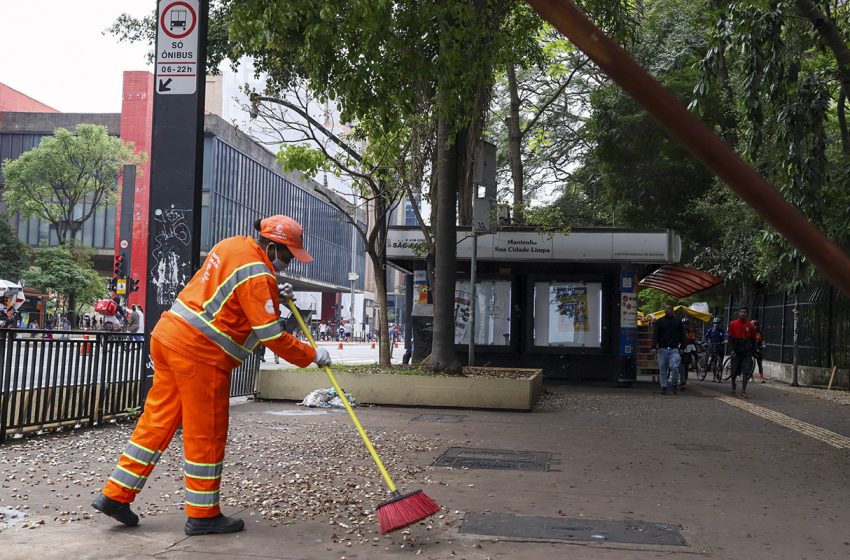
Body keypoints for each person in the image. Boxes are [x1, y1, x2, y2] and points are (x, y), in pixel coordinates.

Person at [91, 215, 332, 536]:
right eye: (287, 256)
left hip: (168, 337)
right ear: (272, 246)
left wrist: (274, 288)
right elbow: (271, 334)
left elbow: (233, 295)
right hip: (199, 355)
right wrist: (312, 354)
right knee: (207, 431)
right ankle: (203, 515)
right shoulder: (259, 275)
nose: (288, 263)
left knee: (157, 422)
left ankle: (115, 495)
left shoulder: (232, 246)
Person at [651, 304, 686, 395]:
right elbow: (655, 335)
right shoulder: (659, 322)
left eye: (669, 309)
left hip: (674, 349)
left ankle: (674, 383)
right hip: (662, 349)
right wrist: (654, 347)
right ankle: (663, 386)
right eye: (666, 309)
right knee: (663, 369)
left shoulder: (678, 321)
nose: (667, 310)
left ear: (672, 310)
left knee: (674, 367)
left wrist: (682, 347)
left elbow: (682, 334)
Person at [727, 306, 757, 398]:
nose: (743, 313)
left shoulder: (751, 326)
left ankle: (743, 390)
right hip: (736, 351)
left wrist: (753, 350)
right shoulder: (732, 324)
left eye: (745, 312)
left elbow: (753, 339)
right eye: (741, 312)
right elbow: (730, 338)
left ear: (747, 314)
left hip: (746, 352)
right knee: (734, 371)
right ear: (738, 313)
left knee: (746, 371)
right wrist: (732, 349)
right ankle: (733, 385)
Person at [703, 317, 726, 382]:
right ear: (713, 323)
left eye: (718, 323)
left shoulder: (722, 330)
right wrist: (706, 342)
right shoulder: (711, 330)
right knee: (714, 362)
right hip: (713, 347)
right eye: (715, 323)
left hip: (720, 347)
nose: (716, 324)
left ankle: (719, 373)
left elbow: (725, 336)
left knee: (720, 362)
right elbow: (706, 337)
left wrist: (725, 340)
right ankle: (714, 376)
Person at [679, 317, 698, 391]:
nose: (685, 325)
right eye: (683, 324)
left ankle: (684, 382)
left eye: (686, 324)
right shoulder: (678, 332)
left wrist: (695, 353)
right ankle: (682, 382)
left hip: (688, 351)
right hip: (680, 351)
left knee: (686, 368)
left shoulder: (690, 332)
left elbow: (693, 341)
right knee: (682, 368)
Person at [751, 318, 765, 383]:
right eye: (754, 324)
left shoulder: (759, 332)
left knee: (759, 361)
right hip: (749, 348)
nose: (755, 326)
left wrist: (762, 344)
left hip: (757, 348)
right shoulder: (748, 331)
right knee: (749, 362)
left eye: (756, 325)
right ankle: (750, 376)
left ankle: (761, 376)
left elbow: (762, 341)